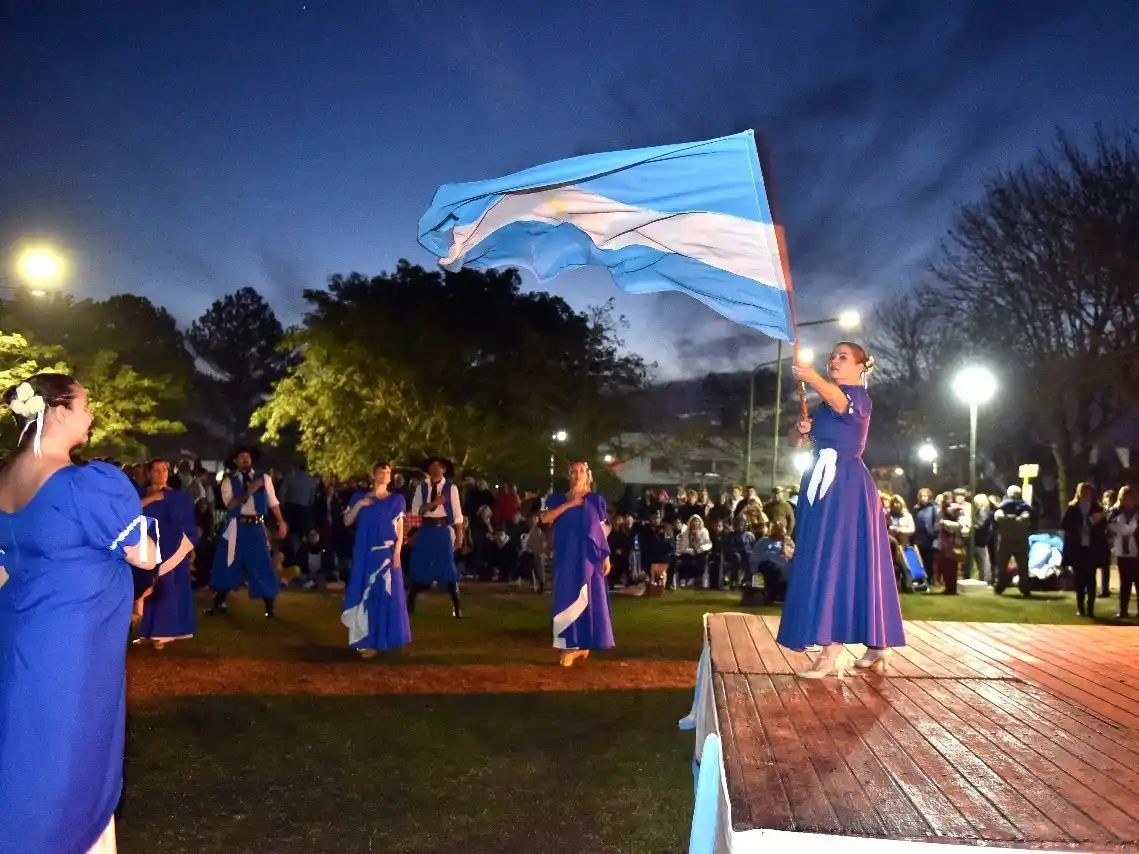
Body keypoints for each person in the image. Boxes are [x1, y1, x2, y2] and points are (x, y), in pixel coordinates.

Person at [0, 374, 159, 853]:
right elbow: (144, 555)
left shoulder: (5, 483)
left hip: (19, 639)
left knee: (23, 745)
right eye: (85, 405)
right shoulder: (85, 484)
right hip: (72, 647)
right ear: (58, 411)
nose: (91, 415)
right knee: (69, 754)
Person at [775, 343, 905, 678]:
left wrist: (812, 378)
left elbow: (839, 400)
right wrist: (799, 430)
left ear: (861, 367)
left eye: (842, 357)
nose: (833, 360)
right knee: (835, 558)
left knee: (836, 559)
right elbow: (794, 441)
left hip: (845, 486)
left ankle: (830, 653)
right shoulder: (823, 404)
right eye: (831, 356)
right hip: (820, 485)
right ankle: (877, 644)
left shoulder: (858, 397)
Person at [539, 461, 614, 666]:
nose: (577, 474)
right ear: (569, 475)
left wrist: (606, 557)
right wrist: (569, 505)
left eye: (581, 471)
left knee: (588, 597)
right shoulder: (558, 498)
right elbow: (545, 519)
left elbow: (602, 530)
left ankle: (580, 646)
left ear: (587, 474)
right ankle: (570, 644)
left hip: (589, 555)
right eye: (573, 471)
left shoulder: (595, 499)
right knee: (566, 595)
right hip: (566, 553)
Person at [206, 446, 288, 618]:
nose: (245, 459)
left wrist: (281, 521)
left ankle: (269, 605)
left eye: (248, 456)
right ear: (235, 461)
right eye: (241, 456)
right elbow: (230, 505)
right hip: (235, 527)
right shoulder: (228, 481)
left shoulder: (264, 479)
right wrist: (249, 490)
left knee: (261, 563)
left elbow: (273, 502)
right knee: (227, 563)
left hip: (256, 527)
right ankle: (219, 602)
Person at [341, 462, 410, 657]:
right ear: (373, 475)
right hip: (365, 554)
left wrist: (397, 553)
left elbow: (399, 529)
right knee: (365, 595)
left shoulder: (396, 500)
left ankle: (384, 639)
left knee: (385, 596)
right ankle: (366, 640)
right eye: (381, 472)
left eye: (388, 472)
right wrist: (359, 505)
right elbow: (347, 521)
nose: (385, 475)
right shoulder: (359, 497)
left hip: (386, 555)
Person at [135, 458, 199, 649]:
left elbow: (186, 523)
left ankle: (161, 634)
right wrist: (151, 499)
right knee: (147, 587)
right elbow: (129, 512)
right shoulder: (139, 494)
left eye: (164, 469)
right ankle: (147, 630)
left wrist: (189, 548)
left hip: (171, 547)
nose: (161, 473)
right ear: (148, 473)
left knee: (165, 587)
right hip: (145, 546)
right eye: (156, 470)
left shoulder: (178, 496)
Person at [407, 457, 465, 618]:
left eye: (438, 467)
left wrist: (459, 536)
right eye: (432, 467)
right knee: (421, 565)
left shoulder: (451, 488)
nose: (435, 469)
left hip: (442, 530)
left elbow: (458, 514)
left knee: (447, 566)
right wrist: (435, 503)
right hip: (426, 529)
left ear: (444, 470)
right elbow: (416, 511)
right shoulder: (422, 488)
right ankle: (410, 603)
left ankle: (457, 606)